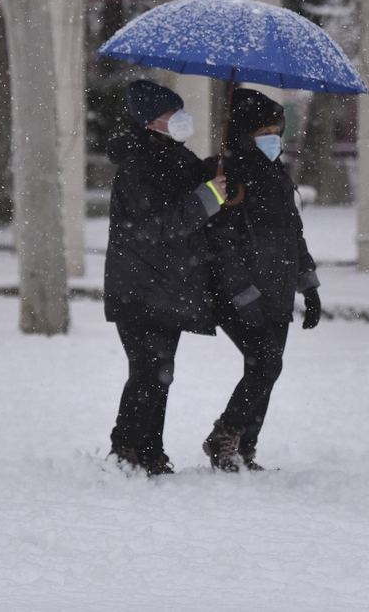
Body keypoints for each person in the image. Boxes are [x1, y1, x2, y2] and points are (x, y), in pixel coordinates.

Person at [103, 79, 229, 476]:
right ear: (150, 121)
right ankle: (125, 451)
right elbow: (157, 225)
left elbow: (190, 187)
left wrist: (218, 169)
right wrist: (208, 196)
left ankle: (150, 452)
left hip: (164, 287)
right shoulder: (138, 165)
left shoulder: (174, 157)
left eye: (180, 111)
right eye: (172, 113)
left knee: (160, 374)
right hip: (139, 287)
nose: (181, 118)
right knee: (147, 373)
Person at [203, 88, 321, 472]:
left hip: (278, 290)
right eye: (263, 132)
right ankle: (224, 436)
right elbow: (221, 245)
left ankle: (244, 448)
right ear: (243, 134)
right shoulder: (229, 180)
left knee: (266, 370)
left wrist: (309, 285)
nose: (273, 138)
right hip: (240, 295)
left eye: (276, 131)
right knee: (266, 365)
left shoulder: (278, 176)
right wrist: (243, 294)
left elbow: (294, 234)